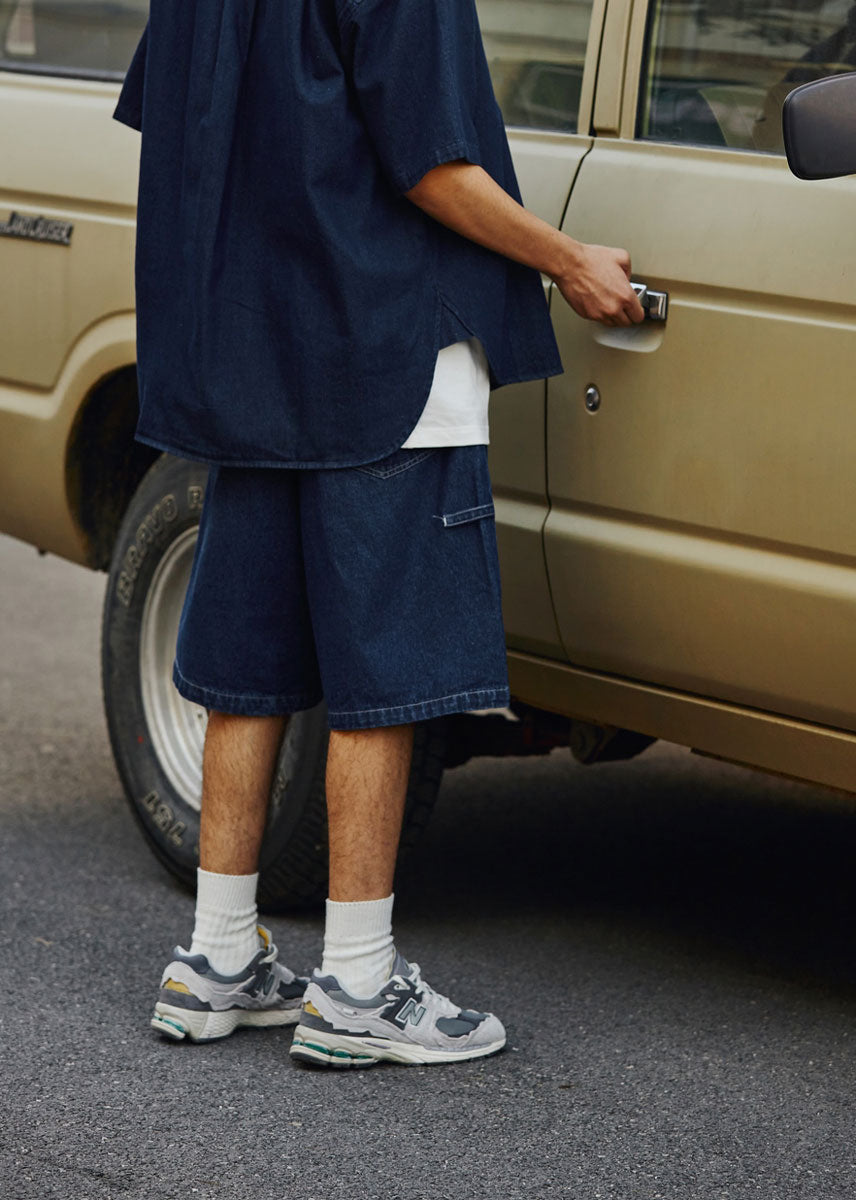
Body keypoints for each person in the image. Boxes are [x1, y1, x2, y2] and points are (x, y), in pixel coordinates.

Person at [113, 0, 644, 1069]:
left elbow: (173, 130)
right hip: (386, 356)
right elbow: (433, 168)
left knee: (244, 666)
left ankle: (217, 958)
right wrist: (568, 258)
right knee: (382, 673)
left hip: (249, 358)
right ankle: (356, 978)